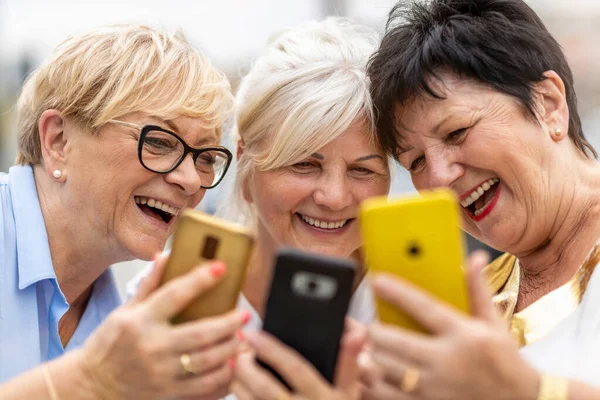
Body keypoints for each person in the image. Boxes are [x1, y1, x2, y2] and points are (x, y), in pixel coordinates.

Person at [360, 0, 600, 398]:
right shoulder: (467, 302)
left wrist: (525, 391)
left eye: (456, 132)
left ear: (548, 105)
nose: (438, 177)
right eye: (415, 161)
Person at [0, 24, 248, 400]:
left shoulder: (127, 323)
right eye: (161, 142)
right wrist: (88, 381)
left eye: (207, 157)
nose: (192, 180)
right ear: (58, 140)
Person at [218, 17, 392, 400]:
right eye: (304, 164)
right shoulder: (173, 297)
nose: (333, 197)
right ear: (246, 162)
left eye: (362, 169)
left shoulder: (423, 309)